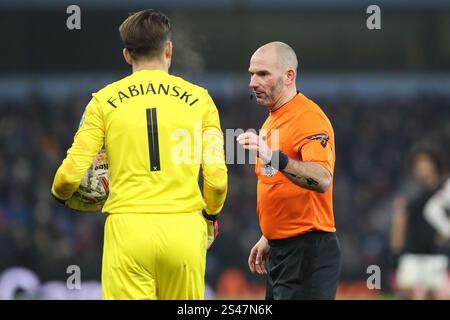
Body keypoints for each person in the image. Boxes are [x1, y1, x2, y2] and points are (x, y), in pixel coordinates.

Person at [51, 9, 228, 300]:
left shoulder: (103, 102)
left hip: (128, 231)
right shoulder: (200, 100)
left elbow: (67, 178)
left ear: (127, 55)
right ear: (168, 49)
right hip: (183, 231)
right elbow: (217, 181)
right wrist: (209, 218)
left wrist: (67, 198)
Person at [237, 42, 341, 300]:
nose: (252, 82)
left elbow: (322, 178)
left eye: (262, 74)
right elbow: (278, 183)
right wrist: (268, 235)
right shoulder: (271, 121)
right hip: (282, 249)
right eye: (251, 73)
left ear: (289, 76)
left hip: (307, 251)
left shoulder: (308, 118)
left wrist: (273, 157)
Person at [390, 144, 449, 299]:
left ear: (434, 164)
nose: (419, 168)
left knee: (434, 294)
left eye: (423, 163)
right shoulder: (410, 193)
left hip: (435, 253)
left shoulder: (445, 190)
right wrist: (397, 247)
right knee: (405, 293)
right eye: (417, 165)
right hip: (412, 252)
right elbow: (401, 220)